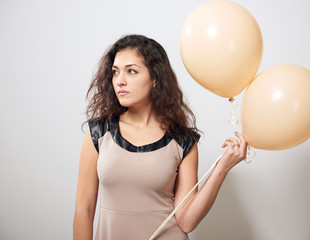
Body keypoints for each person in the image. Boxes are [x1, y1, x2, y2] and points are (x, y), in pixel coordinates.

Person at [73, 34, 248, 240]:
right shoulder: (99, 132)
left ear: (155, 78)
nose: (120, 81)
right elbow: (84, 210)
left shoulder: (182, 140)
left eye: (131, 71)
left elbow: (186, 221)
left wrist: (222, 168)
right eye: (115, 72)